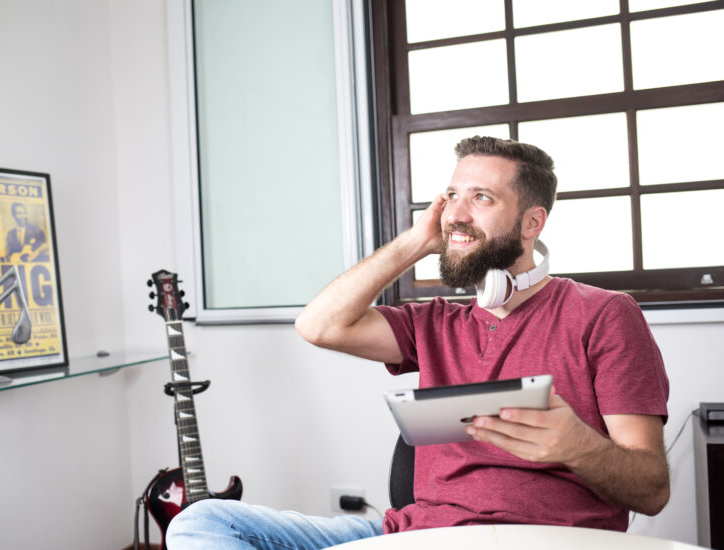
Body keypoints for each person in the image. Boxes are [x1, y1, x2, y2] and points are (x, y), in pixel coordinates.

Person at [166, 136, 670, 549]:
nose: (457, 213)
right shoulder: (434, 323)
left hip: (541, 539)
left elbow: (651, 489)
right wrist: (418, 240)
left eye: (482, 198)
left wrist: (580, 447)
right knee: (204, 522)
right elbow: (319, 326)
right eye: (452, 196)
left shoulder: (603, 314)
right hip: (417, 535)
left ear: (532, 223)